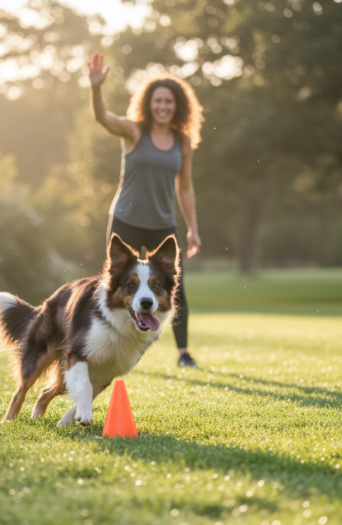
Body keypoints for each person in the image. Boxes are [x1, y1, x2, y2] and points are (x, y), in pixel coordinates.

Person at [88, 51, 203, 368]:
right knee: (114, 283)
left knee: (173, 287)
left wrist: (193, 228)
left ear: (176, 105)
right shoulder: (135, 131)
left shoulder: (182, 142)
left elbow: (186, 187)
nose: (163, 106)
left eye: (169, 102)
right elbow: (104, 119)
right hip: (126, 219)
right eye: (158, 101)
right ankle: (110, 344)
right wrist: (96, 88)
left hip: (162, 225)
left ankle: (183, 354)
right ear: (148, 103)